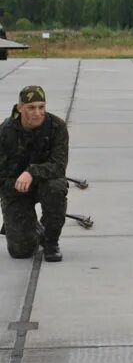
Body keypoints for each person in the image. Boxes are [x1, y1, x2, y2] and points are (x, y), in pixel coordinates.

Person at [0, 85, 69, 263]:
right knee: (21, 252)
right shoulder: (5, 132)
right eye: (31, 107)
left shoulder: (56, 127)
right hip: (16, 187)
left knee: (56, 186)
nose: (37, 113)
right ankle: (34, 229)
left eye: (41, 107)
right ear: (20, 108)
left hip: (44, 183)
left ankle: (51, 241)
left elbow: (59, 166)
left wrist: (32, 172)